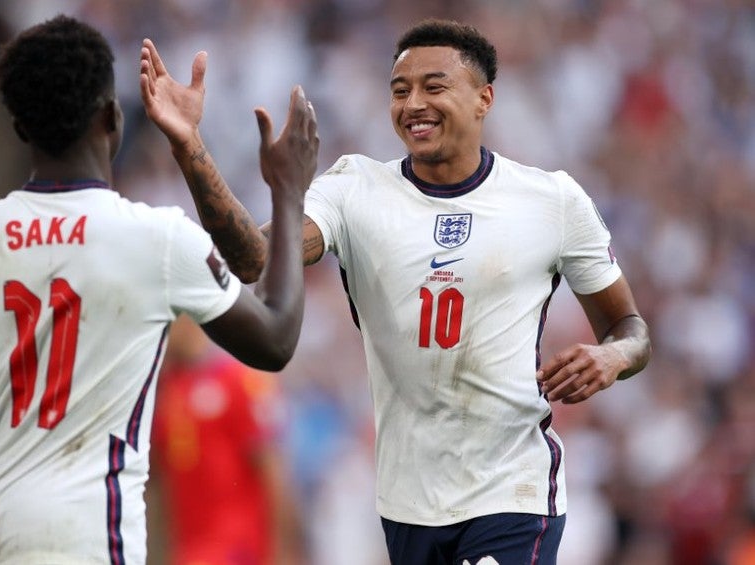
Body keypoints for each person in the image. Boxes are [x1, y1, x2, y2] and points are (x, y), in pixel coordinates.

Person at [139, 18, 651, 565]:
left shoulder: (552, 199)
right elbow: (253, 261)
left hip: (513, 491)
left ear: (484, 99)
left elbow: (631, 329)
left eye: (434, 87)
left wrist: (611, 356)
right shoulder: (355, 190)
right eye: (400, 90)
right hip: (407, 505)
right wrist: (190, 145)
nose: (413, 104)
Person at [0, 14, 318, 565]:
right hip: (86, 538)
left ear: (20, 129)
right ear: (112, 116)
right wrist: (289, 194)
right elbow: (275, 339)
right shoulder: (156, 238)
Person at [147, 315, 305, 565]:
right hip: (187, 552)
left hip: (238, 551)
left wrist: (284, 554)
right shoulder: (164, 391)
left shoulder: (238, 380)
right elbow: (158, 485)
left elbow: (273, 474)